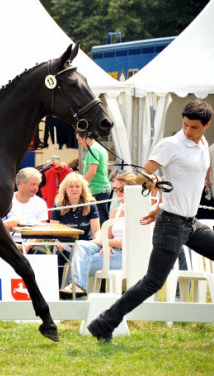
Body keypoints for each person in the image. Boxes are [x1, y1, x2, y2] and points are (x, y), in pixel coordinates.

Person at [88, 100, 214, 342]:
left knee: (151, 281)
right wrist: (149, 181)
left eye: (194, 127)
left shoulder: (202, 145)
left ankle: (104, 323)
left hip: (191, 224)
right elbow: (143, 175)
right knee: (153, 282)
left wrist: (158, 208)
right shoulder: (171, 145)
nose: (188, 131)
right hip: (172, 225)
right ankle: (104, 323)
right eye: (185, 125)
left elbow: (186, 186)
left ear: (206, 126)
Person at [59, 172, 136, 299]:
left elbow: (130, 242)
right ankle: (75, 293)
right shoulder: (117, 211)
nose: (118, 193)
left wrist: (105, 243)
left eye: (121, 189)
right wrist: (105, 245)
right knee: (79, 246)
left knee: (77, 259)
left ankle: (74, 298)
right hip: (112, 252)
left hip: (127, 256)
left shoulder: (139, 212)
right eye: (115, 189)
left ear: (133, 189)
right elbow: (106, 237)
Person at [49, 172, 100, 292]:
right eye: (71, 186)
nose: (74, 189)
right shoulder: (58, 206)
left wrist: (97, 241)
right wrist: (57, 242)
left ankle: (74, 289)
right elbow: (53, 231)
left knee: (79, 253)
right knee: (58, 257)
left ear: (82, 189)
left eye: (78, 186)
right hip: (65, 246)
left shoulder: (90, 204)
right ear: (65, 189)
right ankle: (55, 292)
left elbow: (96, 230)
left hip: (85, 245)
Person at [2, 167, 49, 253]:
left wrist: (27, 246)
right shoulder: (5, 201)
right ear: (21, 184)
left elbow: (42, 231)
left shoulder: (41, 203)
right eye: (33, 184)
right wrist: (13, 245)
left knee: (41, 254)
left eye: (38, 185)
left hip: (31, 243)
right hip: (6, 242)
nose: (36, 188)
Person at [76, 129, 111, 224]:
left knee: (100, 220)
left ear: (86, 137)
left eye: (79, 139)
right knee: (101, 219)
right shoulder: (100, 148)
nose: (79, 142)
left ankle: (102, 239)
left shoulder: (93, 149)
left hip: (97, 189)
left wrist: (80, 185)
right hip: (101, 188)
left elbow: (92, 172)